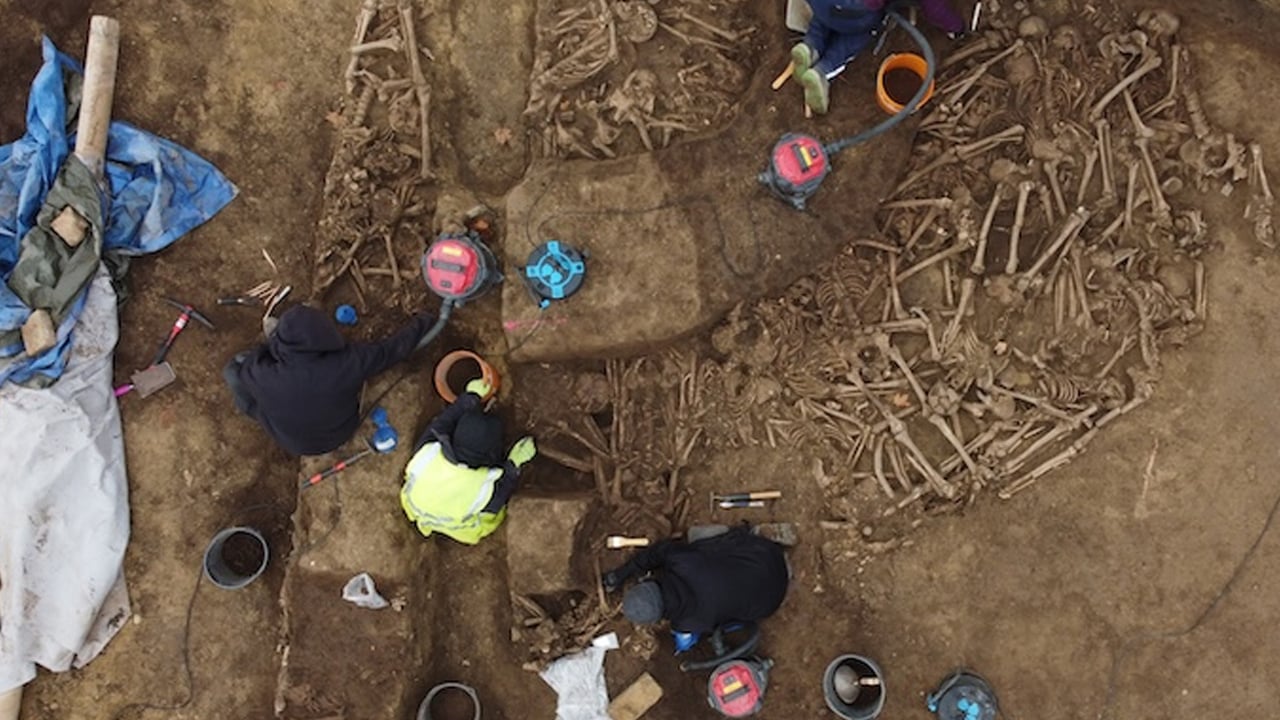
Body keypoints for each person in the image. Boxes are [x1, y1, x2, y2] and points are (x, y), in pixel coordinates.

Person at [223, 305, 433, 456]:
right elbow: (391, 350)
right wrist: (424, 321)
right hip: (338, 433)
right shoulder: (349, 363)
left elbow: (243, 366)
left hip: (290, 441)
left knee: (235, 369)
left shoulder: (262, 373)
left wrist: (269, 349)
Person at [399, 378, 536, 545]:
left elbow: (442, 423)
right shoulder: (482, 488)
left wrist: (470, 397)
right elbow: (501, 495)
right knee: (490, 517)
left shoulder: (428, 452)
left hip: (417, 510)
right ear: (491, 455)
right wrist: (514, 464)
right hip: (460, 527)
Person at [603, 526, 790, 635]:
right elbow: (658, 551)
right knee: (697, 538)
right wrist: (623, 573)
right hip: (766, 556)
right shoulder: (683, 562)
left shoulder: (688, 624)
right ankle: (755, 531)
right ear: (649, 582)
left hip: (769, 603)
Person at [793, 0, 966, 115]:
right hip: (854, 8)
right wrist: (957, 28)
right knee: (860, 32)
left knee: (825, 16)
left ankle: (810, 47)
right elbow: (935, 10)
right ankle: (824, 70)